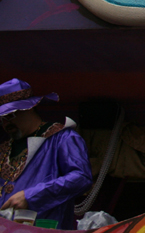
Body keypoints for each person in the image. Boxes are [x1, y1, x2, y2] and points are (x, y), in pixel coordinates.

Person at [0, 79, 92, 230]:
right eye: (1, 119)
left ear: (28, 108)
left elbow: (81, 177)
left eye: (10, 115)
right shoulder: (5, 146)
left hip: (46, 228)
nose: (5, 124)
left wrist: (30, 196)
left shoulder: (62, 138)